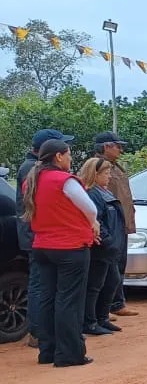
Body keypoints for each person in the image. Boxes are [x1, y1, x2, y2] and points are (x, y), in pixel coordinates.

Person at [23, 139, 98, 367]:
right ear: (58, 156)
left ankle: (47, 351)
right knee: (69, 301)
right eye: (69, 154)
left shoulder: (31, 181)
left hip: (42, 246)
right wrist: (93, 225)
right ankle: (68, 354)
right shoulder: (64, 181)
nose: (70, 158)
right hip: (69, 247)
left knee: (47, 298)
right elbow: (91, 209)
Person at [17, 129, 76, 350]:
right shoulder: (31, 170)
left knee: (43, 286)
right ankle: (39, 333)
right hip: (38, 237)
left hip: (38, 235)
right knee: (41, 287)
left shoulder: (32, 168)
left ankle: (44, 332)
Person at [78, 156, 127, 337]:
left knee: (111, 281)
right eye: (106, 173)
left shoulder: (103, 191)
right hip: (100, 249)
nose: (109, 176)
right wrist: (108, 241)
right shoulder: (92, 193)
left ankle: (101, 318)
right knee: (94, 286)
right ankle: (89, 322)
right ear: (95, 174)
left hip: (110, 248)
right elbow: (96, 221)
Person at [93, 132, 138, 318]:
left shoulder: (115, 166)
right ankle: (104, 307)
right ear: (106, 147)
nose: (121, 149)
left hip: (121, 222)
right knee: (108, 267)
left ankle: (117, 303)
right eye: (117, 146)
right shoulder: (97, 167)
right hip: (110, 225)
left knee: (119, 265)